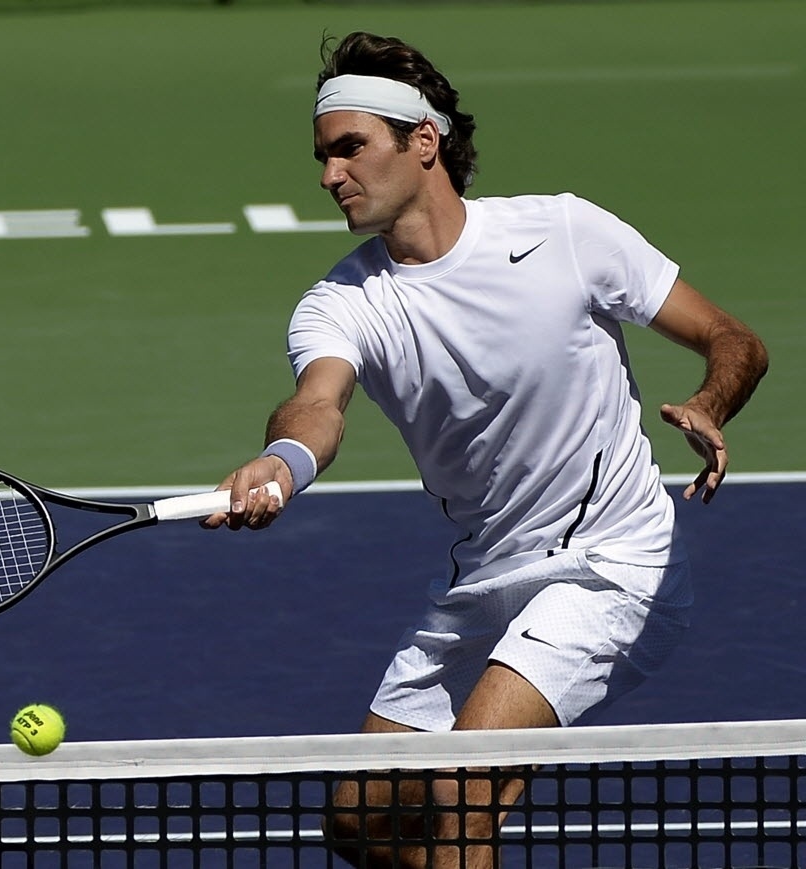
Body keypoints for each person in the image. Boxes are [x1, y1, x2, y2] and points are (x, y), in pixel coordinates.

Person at [202, 30, 769, 869]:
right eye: (323, 156)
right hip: (483, 575)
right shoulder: (341, 301)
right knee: (361, 822)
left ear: (422, 140)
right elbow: (318, 403)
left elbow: (734, 339)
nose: (330, 176)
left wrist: (712, 402)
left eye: (350, 148)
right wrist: (283, 463)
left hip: (612, 562)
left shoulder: (566, 233)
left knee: (462, 785)